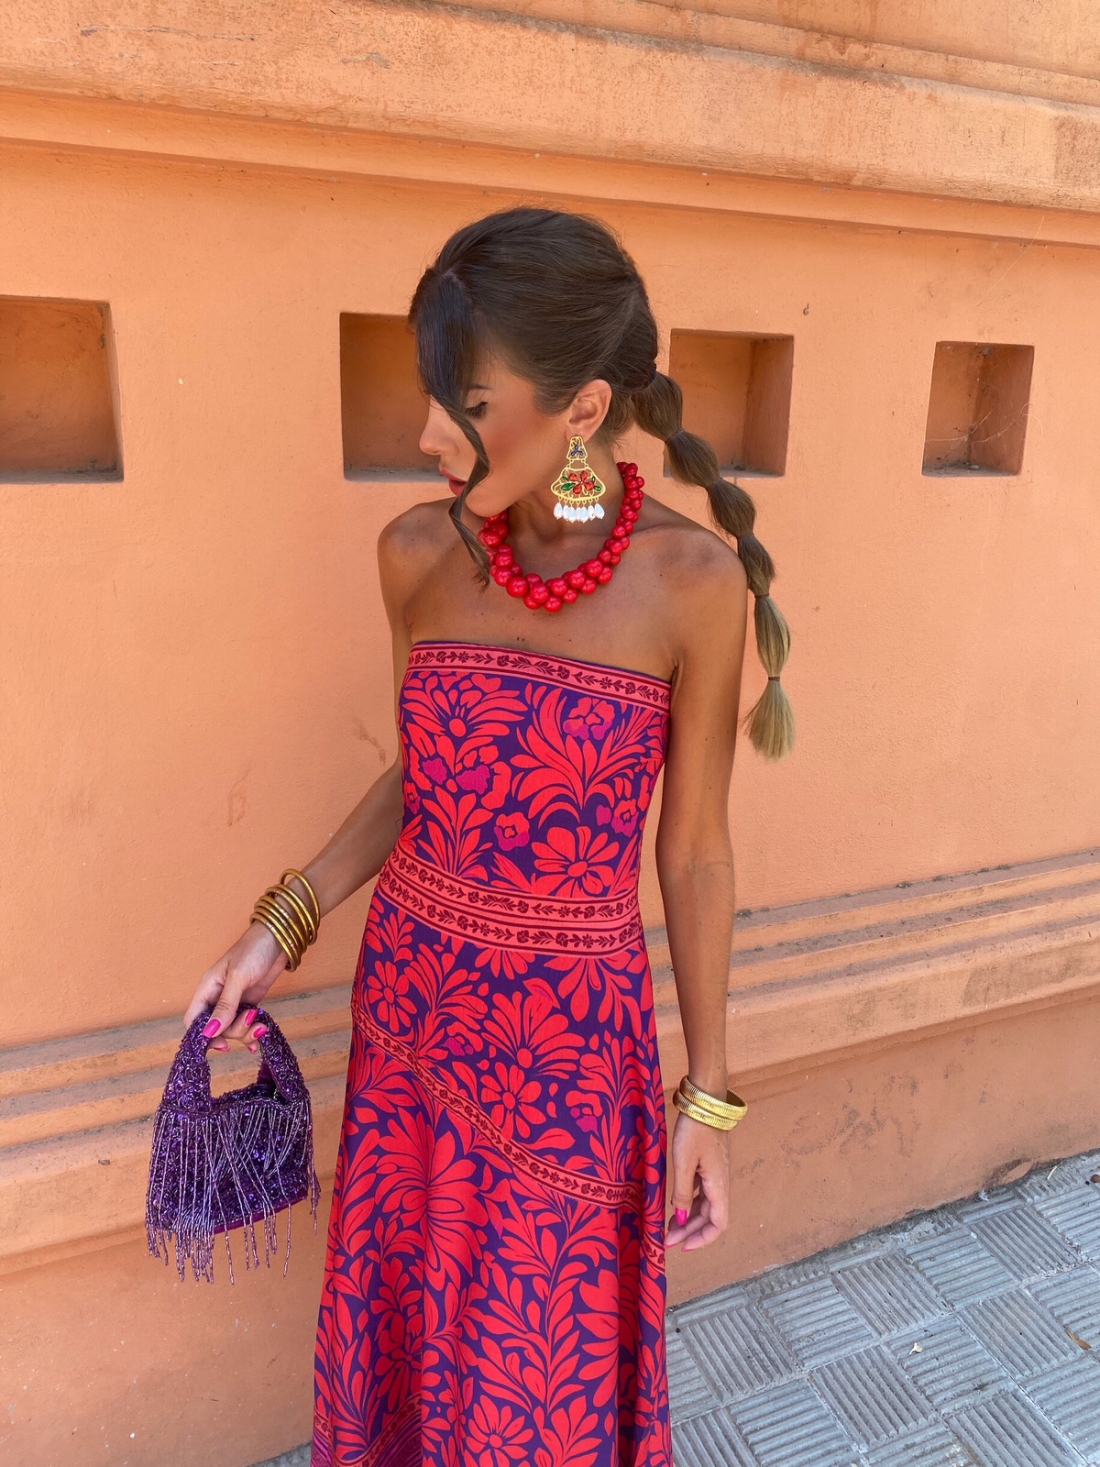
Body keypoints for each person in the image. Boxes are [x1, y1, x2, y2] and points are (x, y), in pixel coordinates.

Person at [185, 207, 792, 1467]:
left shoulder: (692, 586)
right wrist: (279, 925)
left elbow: (693, 851)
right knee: (408, 1356)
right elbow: (429, 776)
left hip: (572, 1057)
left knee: (537, 1388)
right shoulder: (416, 556)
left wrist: (708, 1097)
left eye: (465, 403)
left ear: (581, 410)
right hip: (412, 1020)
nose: (426, 435)